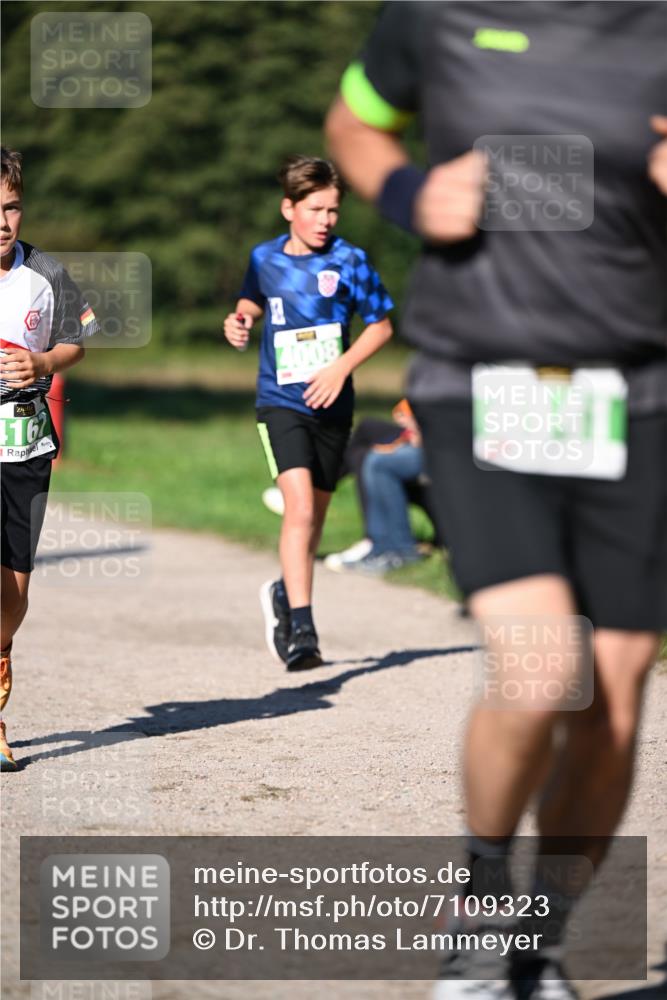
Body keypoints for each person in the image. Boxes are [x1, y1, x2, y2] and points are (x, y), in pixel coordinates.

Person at [326, 4, 667, 997]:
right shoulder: (436, 13)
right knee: (538, 664)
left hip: (636, 394)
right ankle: (479, 913)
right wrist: (404, 191)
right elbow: (351, 122)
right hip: (481, 381)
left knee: (615, 690)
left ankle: (536, 944)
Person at [223, 155, 393, 671]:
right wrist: (239, 321)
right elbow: (251, 300)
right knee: (297, 509)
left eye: (333, 211)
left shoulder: (350, 260)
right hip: (280, 401)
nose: (326, 220)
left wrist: (340, 368)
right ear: (288, 208)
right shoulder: (264, 257)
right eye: (316, 209)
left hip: (334, 406)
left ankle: (283, 591)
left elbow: (382, 325)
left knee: (314, 516)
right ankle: (302, 628)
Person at [0, 146, 97, 771]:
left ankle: (2, 651)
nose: (2, 222)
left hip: (23, 443)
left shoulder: (47, 272)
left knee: (12, 594)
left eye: (10, 208)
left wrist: (43, 364)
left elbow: (77, 342)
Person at [326, 399, 435, 574]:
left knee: (379, 462)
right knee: (365, 447)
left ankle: (396, 549)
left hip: (452, 448)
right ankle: (379, 546)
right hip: (434, 438)